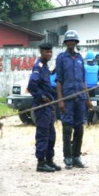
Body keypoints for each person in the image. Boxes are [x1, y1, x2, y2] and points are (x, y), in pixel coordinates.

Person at [55, 30, 93, 169]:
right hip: (67, 98)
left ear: (76, 43)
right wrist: (60, 100)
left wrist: (88, 98)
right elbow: (59, 81)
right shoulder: (61, 58)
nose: (71, 44)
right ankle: (68, 157)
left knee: (79, 128)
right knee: (67, 127)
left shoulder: (79, 58)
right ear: (65, 43)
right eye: (68, 41)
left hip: (80, 98)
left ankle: (77, 156)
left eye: (73, 41)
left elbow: (83, 81)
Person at [28, 42, 60, 173]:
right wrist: (41, 96)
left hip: (49, 106)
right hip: (41, 106)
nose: (49, 54)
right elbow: (32, 85)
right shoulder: (38, 66)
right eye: (46, 52)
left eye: (50, 52)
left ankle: (49, 160)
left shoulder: (46, 67)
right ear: (41, 52)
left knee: (51, 134)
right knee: (43, 133)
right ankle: (41, 162)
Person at [84, 51, 99, 123]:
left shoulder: (84, 67)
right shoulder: (97, 67)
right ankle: (89, 120)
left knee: (88, 104)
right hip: (94, 89)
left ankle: (88, 120)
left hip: (87, 89)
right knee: (93, 104)